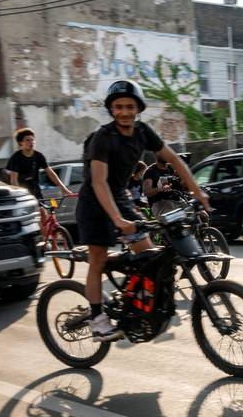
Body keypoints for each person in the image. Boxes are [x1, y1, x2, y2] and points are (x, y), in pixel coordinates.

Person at [75, 80, 208, 340]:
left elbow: (174, 160)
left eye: (129, 106)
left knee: (149, 256)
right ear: (111, 110)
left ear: (138, 108)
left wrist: (197, 191)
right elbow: (99, 181)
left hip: (121, 198)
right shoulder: (103, 137)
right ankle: (97, 319)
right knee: (98, 259)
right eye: (118, 107)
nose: (124, 111)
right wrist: (117, 219)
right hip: (94, 203)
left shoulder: (143, 132)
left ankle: (130, 303)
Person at [5, 128, 74, 200]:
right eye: (27, 140)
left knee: (44, 210)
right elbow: (13, 180)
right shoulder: (16, 157)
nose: (31, 142)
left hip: (36, 191)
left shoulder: (39, 156)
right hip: (23, 193)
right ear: (20, 143)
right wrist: (19, 196)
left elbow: (51, 173)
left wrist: (63, 189)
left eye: (32, 140)